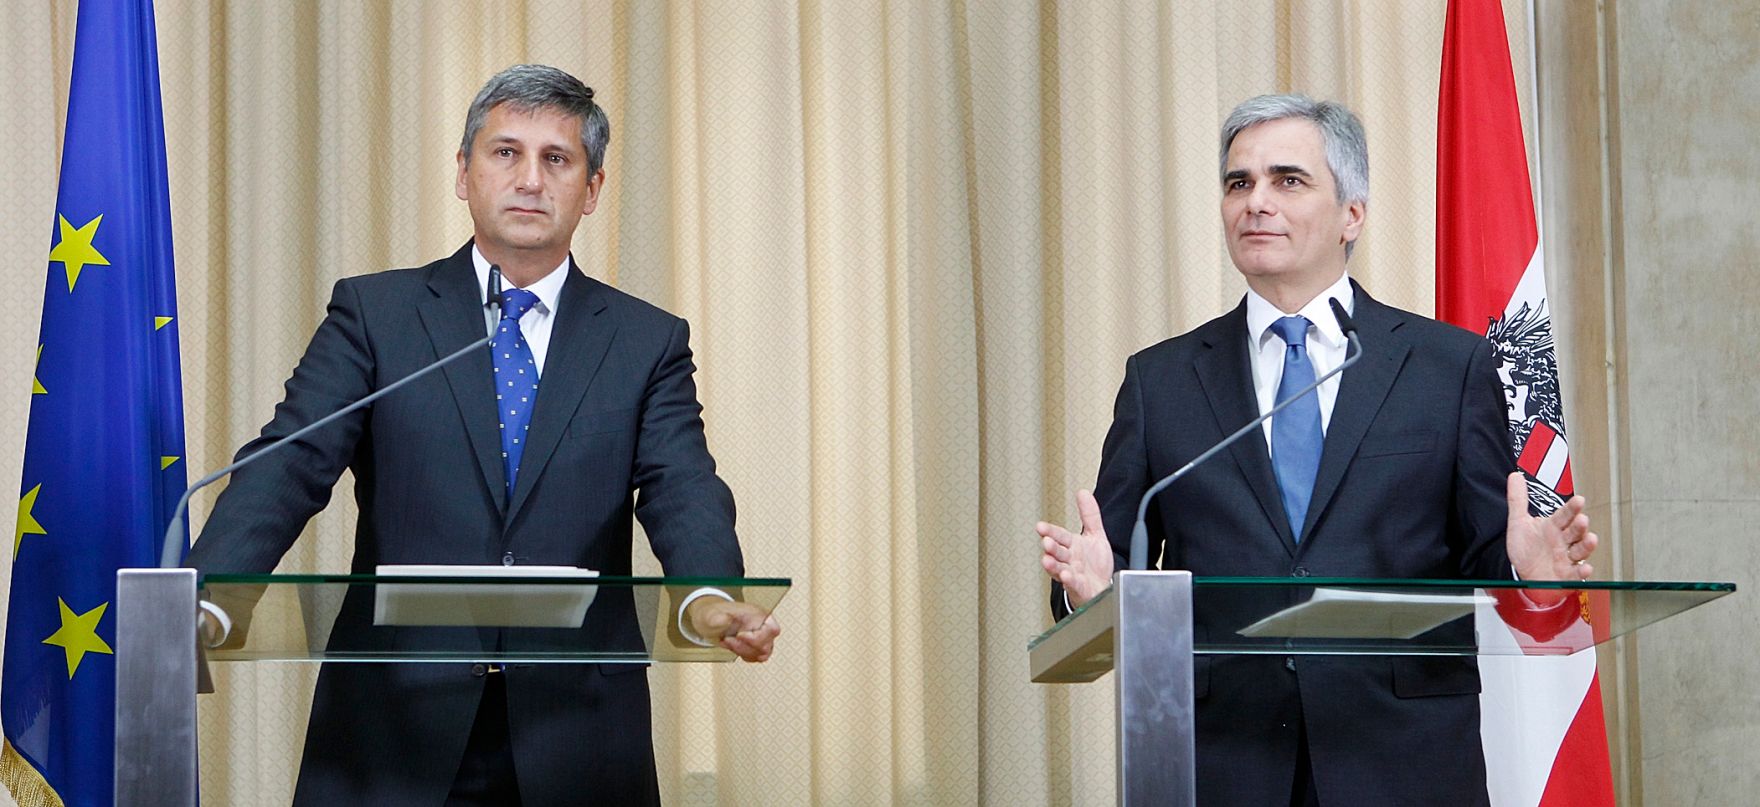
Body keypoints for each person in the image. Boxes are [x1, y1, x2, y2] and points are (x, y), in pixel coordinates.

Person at [186, 64, 779, 806]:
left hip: (577, 735)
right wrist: (208, 596)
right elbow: (290, 464)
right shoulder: (378, 314)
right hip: (392, 730)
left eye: (556, 159)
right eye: (506, 153)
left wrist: (710, 593)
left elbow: (681, 485)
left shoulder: (645, 340)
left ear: (591, 189)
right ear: (464, 173)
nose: (530, 179)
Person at [1035, 94, 1597, 806]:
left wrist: (1524, 563)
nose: (1255, 202)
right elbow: (1110, 558)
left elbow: (1486, 551)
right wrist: (1088, 593)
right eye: (1239, 183)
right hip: (1226, 764)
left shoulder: (1447, 366)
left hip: (1403, 761)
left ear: (1352, 214)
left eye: (1287, 180)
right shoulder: (1161, 380)